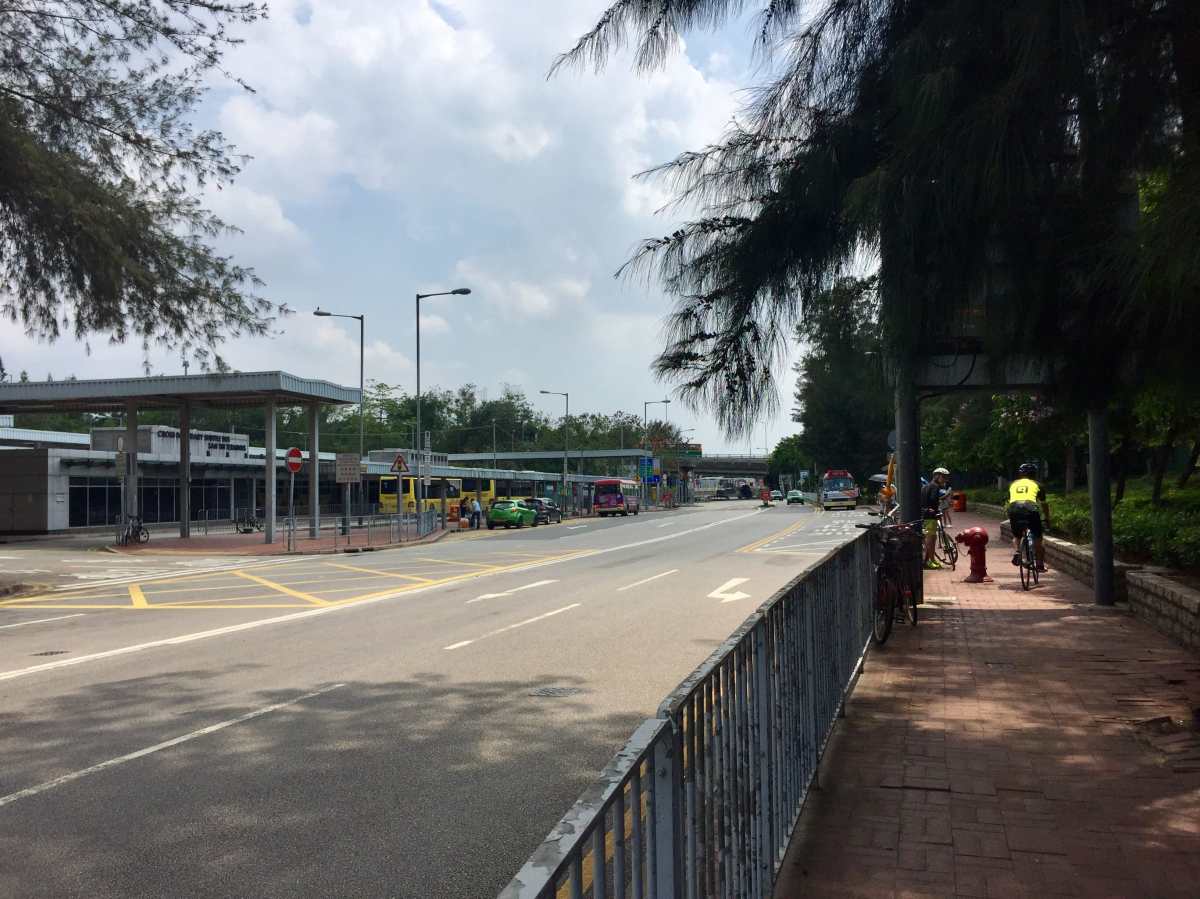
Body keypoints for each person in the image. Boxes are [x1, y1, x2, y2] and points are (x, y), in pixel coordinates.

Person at [1007, 462, 1050, 571]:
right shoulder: (1038, 485)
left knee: (1017, 536)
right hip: (1030, 509)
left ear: (1020, 474)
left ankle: (1017, 551)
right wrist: (1047, 518)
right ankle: (1039, 565)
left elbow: (1012, 498)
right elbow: (1044, 504)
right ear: (1034, 474)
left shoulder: (1013, 484)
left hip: (1014, 509)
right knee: (1038, 538)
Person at [922, 467, 950, 569]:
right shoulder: (935, 487)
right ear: (937, 476)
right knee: (931, 539)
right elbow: (933, 500)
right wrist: (937, 510)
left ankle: (931, 559)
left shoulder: (926, 486)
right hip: (930, 517)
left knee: (929, 538)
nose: (945, 480)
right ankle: (930, 561)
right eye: (944, 477)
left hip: (924, 515)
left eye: (946, 477)